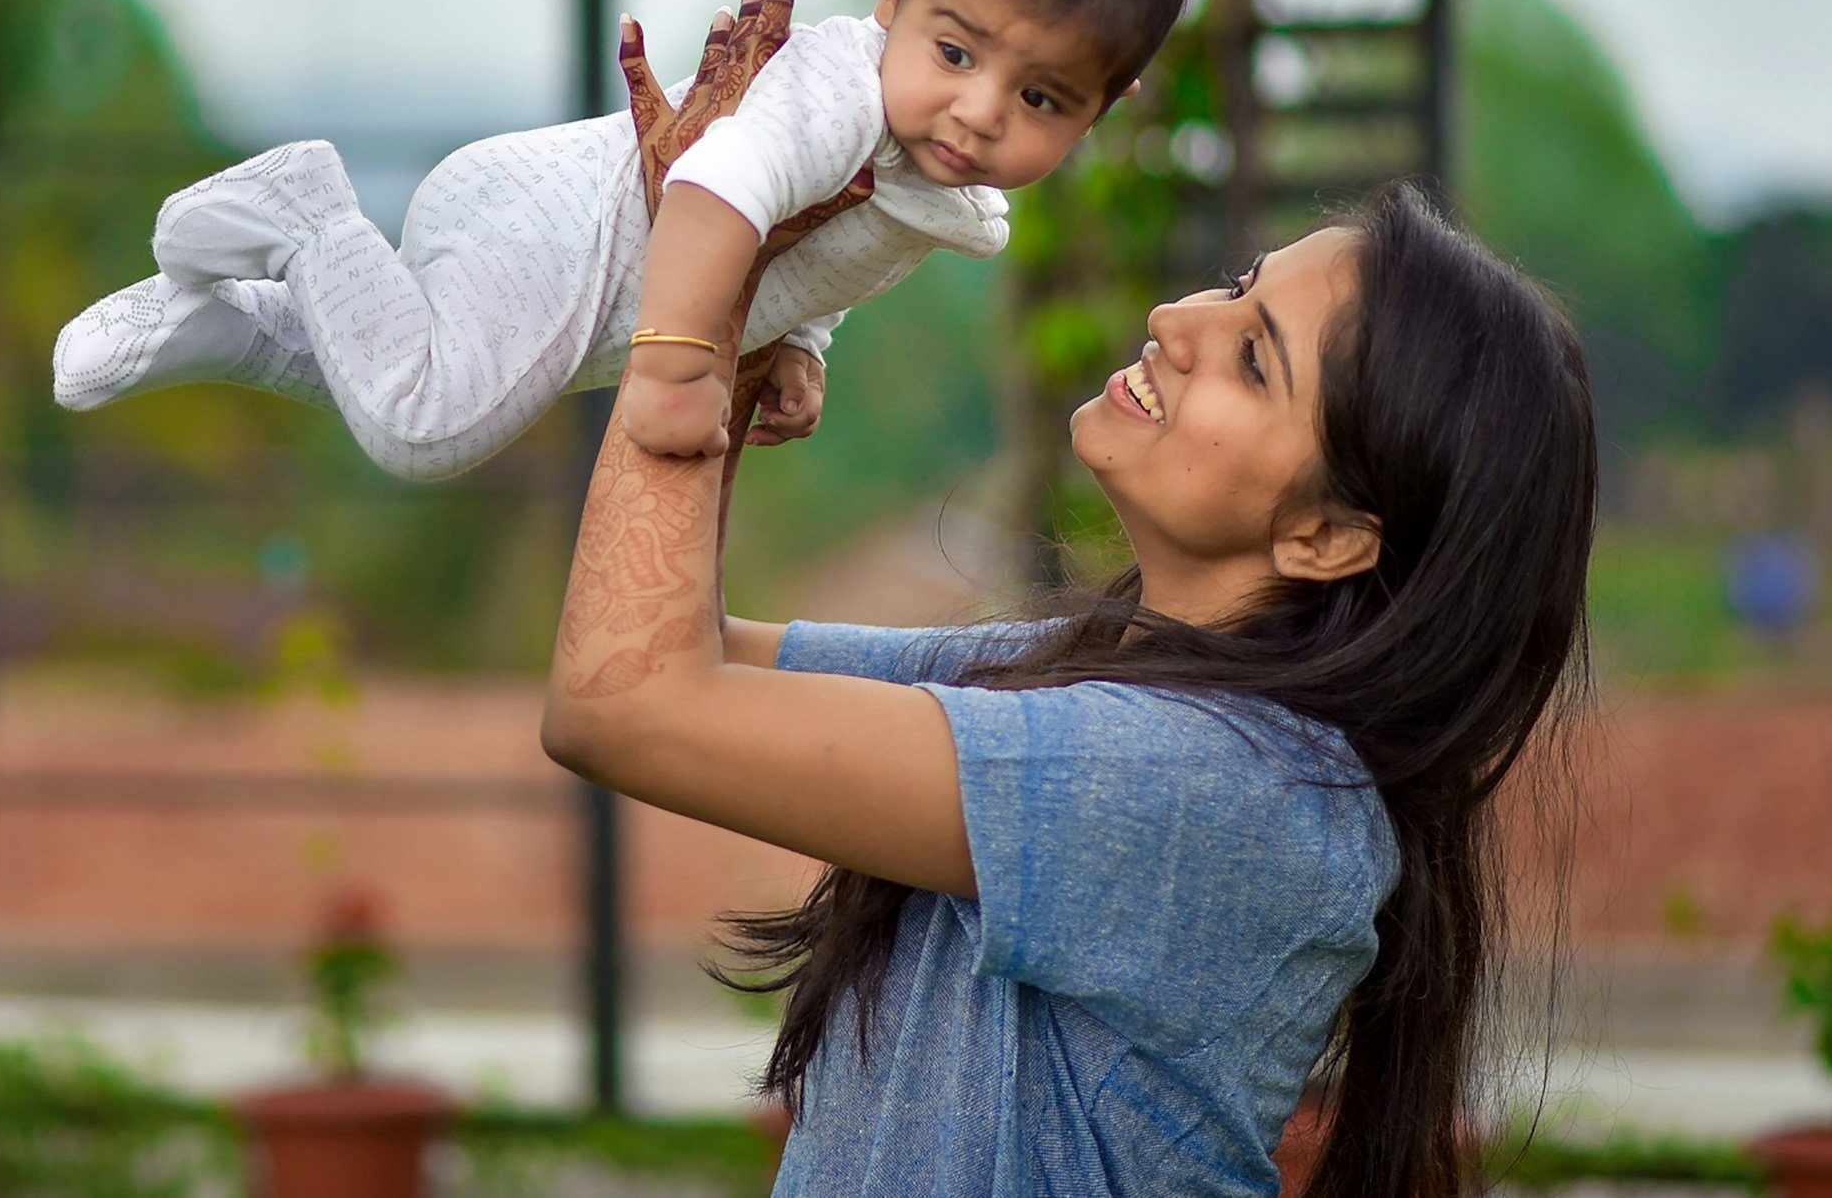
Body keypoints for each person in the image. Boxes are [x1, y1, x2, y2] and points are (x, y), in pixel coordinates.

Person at [541, 155, 1598, 1197]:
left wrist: (705, 274)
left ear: (1326, 534)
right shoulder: (1075, 688)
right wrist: (751, 309)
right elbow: (658, 645)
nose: (1178, 320)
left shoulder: (1223, 788)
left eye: (1252, 358)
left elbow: (623, 702)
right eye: (1236, 286)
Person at [48, 0, 1192, 480]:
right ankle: (306, 209)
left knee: (391, 374)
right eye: (955, 51)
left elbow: (825, 249)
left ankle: (224, 324)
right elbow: (724, 182)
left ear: (1104, 105)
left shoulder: (926, 168)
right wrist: (677, 369)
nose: (982, 110)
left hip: (598, 262)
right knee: (424, 426)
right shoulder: (840, 91)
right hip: (563, 228)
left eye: (1039, 94)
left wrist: (802, 343)